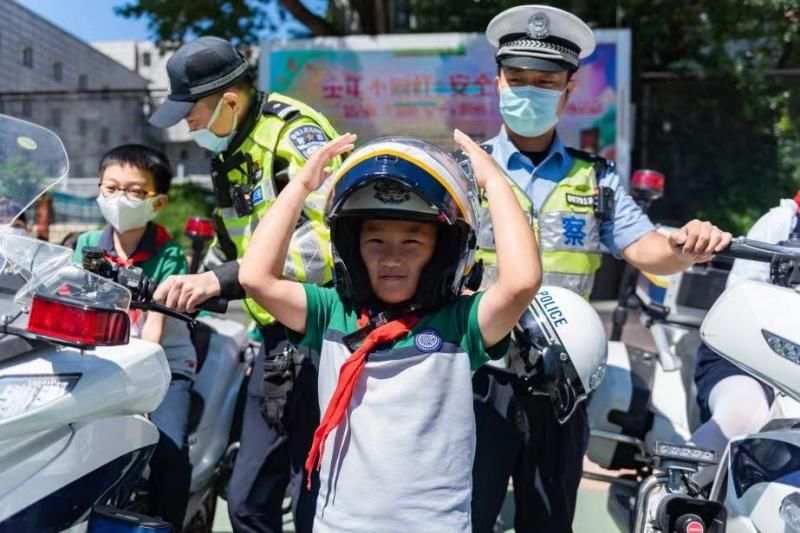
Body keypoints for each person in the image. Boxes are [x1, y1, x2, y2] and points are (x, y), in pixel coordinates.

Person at [470, 5, 734, 532]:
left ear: (568, 91)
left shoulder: (597, 180)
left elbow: (646, 249)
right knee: (464, 516)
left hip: (562, 378)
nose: (528, 92)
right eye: (517, 79)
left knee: (548, 519)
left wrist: (688, 247)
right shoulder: (465, 168)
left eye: (544, 82)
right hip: (477, 375)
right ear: (497, 82)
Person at [238, 129, 541, 532]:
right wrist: (301, 185)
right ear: (351, 248)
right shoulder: (333, 313)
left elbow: (521, 281)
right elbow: (256, 277)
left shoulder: (459, 323)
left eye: (413, 242)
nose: (392, 257)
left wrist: (494, 184)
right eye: (375, 240)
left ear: (443, 253)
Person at [148, 36, 341, 533]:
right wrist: (186, 285)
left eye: (191, 113)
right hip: (273, 339)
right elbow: (234, 240)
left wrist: (222, 282)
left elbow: (327, 244)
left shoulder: (294, 135)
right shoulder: (227, 148)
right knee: (248, 500)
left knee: (313, 499)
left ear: (228, 101)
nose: (188, 126)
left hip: (324, 336)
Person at [72, 145, 194, 529]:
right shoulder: (87, 244)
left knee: (169, 448)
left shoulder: (169, 253)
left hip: (162, 365)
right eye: (111, 188)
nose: (120, 199)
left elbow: (154, 328)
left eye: (135, 191)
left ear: (157, 203)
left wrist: (143, 389)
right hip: (100, 359)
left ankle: (164, 522)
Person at [690, 192, 800, 467]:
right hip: (749, 358)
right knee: (743, 415)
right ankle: (672, 490)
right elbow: (741, 304)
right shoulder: (783, 222)